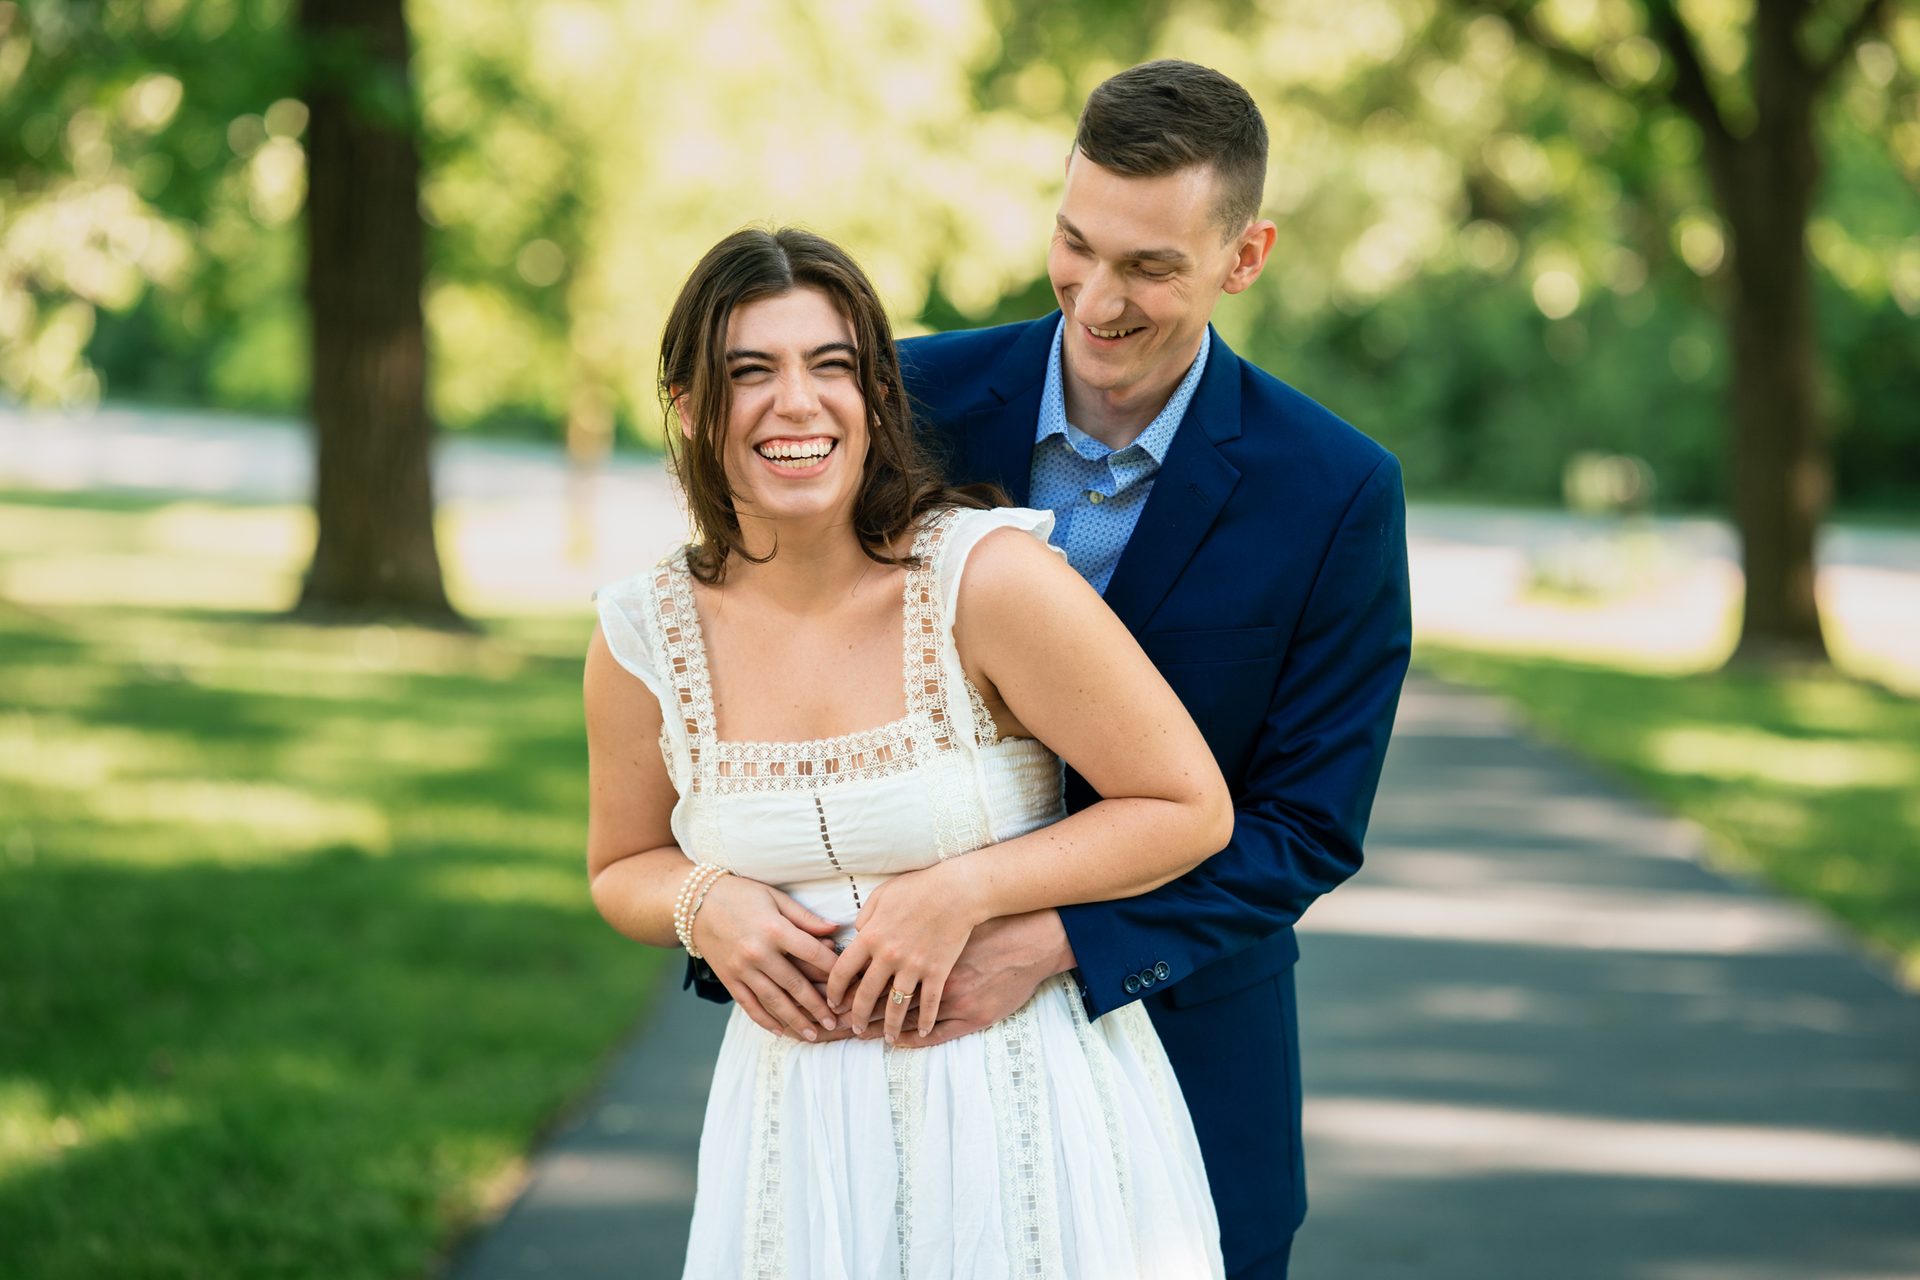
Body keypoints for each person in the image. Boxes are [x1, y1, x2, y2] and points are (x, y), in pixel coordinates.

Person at [685, 60, 1413, 1278]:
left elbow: (1306, 824)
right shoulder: (899, 399)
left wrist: (1053, 932)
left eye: (1151, 267)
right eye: (1076, 243)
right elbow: (753, 651)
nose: (1097, 298)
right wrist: (717, 904)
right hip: (874, 1063)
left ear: (1246, 257)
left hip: (1184, 1041)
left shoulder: (1335, 492)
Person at [585, 225, 1238, 1276]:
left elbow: (1185, 804)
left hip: (1026, 1116)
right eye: (749, 370)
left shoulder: (987, 579)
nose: (795, 401)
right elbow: (622, 866)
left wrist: (966, 889)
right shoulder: (639, 637)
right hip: (791, 1147)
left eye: (830, 365)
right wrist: (704, 902)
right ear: (692, 407)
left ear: (877, 397)